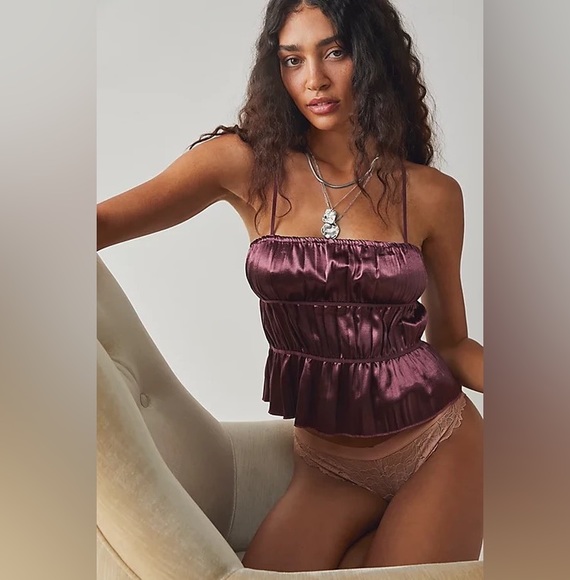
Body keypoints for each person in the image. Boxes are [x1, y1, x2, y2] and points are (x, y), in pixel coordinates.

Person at [97, 0, 483, 572]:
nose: (314, 79)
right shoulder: (243, 165)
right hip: (327, 469)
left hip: (438, 445)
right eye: (292, 59)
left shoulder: (432, 194)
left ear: (372, 59)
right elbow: (97, 225)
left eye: (335, 52)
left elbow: (451, 345)